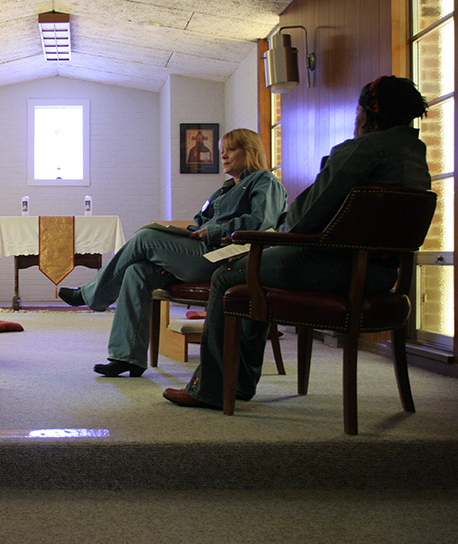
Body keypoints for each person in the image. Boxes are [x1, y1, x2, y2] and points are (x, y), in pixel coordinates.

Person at [163, 75, 431, 409]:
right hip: (382, 276)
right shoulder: (417, 158)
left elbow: (303, 218)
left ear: (369, 111)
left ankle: (214, 388)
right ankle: (240, 382)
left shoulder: (362, 149)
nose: (355, 119)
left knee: (231, 275)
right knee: (252, 269)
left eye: (357, 111)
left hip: (336, 269)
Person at [58, 128, 288, 377]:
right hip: (201, 254)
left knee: (146, 237)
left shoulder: (265, 181)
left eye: (231, 149)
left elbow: (262, 222)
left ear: (251, 151)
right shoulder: (222, 191)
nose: (224, 156)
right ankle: (128, 358)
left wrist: (213, 232)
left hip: (228, 260)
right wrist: (183, 240)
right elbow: (200, 222)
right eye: (222, 151)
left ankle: (91, 294)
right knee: (137, 271)